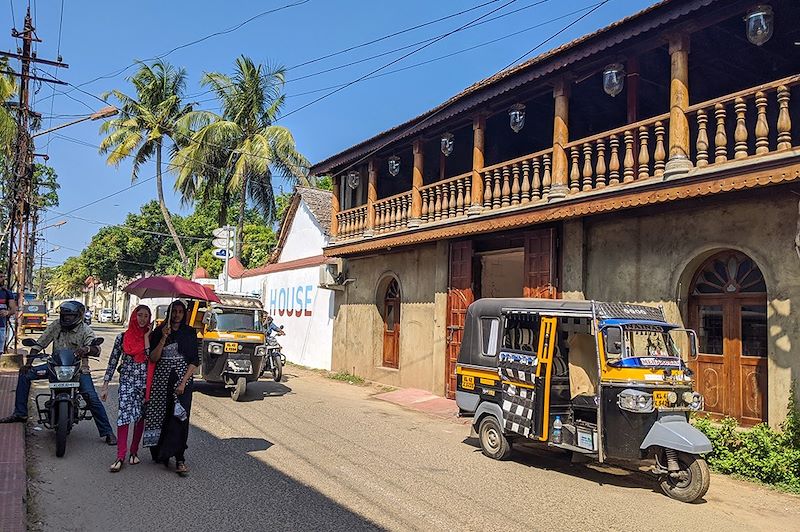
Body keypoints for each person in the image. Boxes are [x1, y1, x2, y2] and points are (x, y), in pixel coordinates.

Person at [0, 301, 117, 445]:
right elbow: (40, 343)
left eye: (70, 315)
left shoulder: (85, 329)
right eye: (64, 315)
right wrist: (28, 363)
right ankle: (20, 413)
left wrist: (86, 350)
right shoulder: (56, 325)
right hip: (53, 368)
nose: (66, 318)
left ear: (78, 316)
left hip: (79, 370)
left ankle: (107, 432)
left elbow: (95, 348)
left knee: (91, 397)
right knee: (25, 374)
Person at [142, 300, 198, 476]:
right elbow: (153, 358)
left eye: (181, 312)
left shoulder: (189, 333)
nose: (177, 315)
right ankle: (162, 453)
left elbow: (194, 361)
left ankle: (180, 458)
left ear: (184, 314)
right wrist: (163, 339)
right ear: (170, 312)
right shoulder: (160, 331)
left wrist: (183, 383)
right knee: (161, 416)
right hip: (161, 382)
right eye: (174, 311)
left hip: (182, 382)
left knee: (180, 419)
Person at [100, 305, 152, 472]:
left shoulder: (150, 338)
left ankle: (134, 452)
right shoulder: (122, 338)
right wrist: (106, 384)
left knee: (139, 418)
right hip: (127, 383)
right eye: (140, 315)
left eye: (146, 316)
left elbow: (152, 359)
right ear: (133, 317)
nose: (142, 319)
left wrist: (146, 338)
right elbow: (113, 361)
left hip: (144, 384)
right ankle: (120, 455)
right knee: (123, 417)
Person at [0, 272, 18, 352]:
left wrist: (7, 312)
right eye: (0, 277)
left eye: (3, 277)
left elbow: (13, 309)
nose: (2, 279)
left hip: (1, 325)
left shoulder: (7, 293)